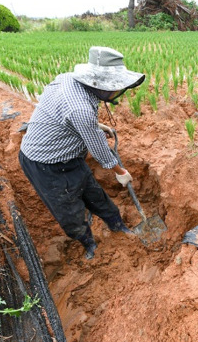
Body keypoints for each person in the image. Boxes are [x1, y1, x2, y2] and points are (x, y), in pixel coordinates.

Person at [19, 46, 145, 259]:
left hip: (71, 157)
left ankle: (117, 225)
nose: (118, 91)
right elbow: (100, 151)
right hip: (45, 164)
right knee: (69, 211)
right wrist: (120, 171)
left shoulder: (67, 79)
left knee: (96, 195)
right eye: (115, 87)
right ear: (100, 85)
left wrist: (93, 126)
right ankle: (89, 243)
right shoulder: (80, 110)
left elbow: (68, 113)